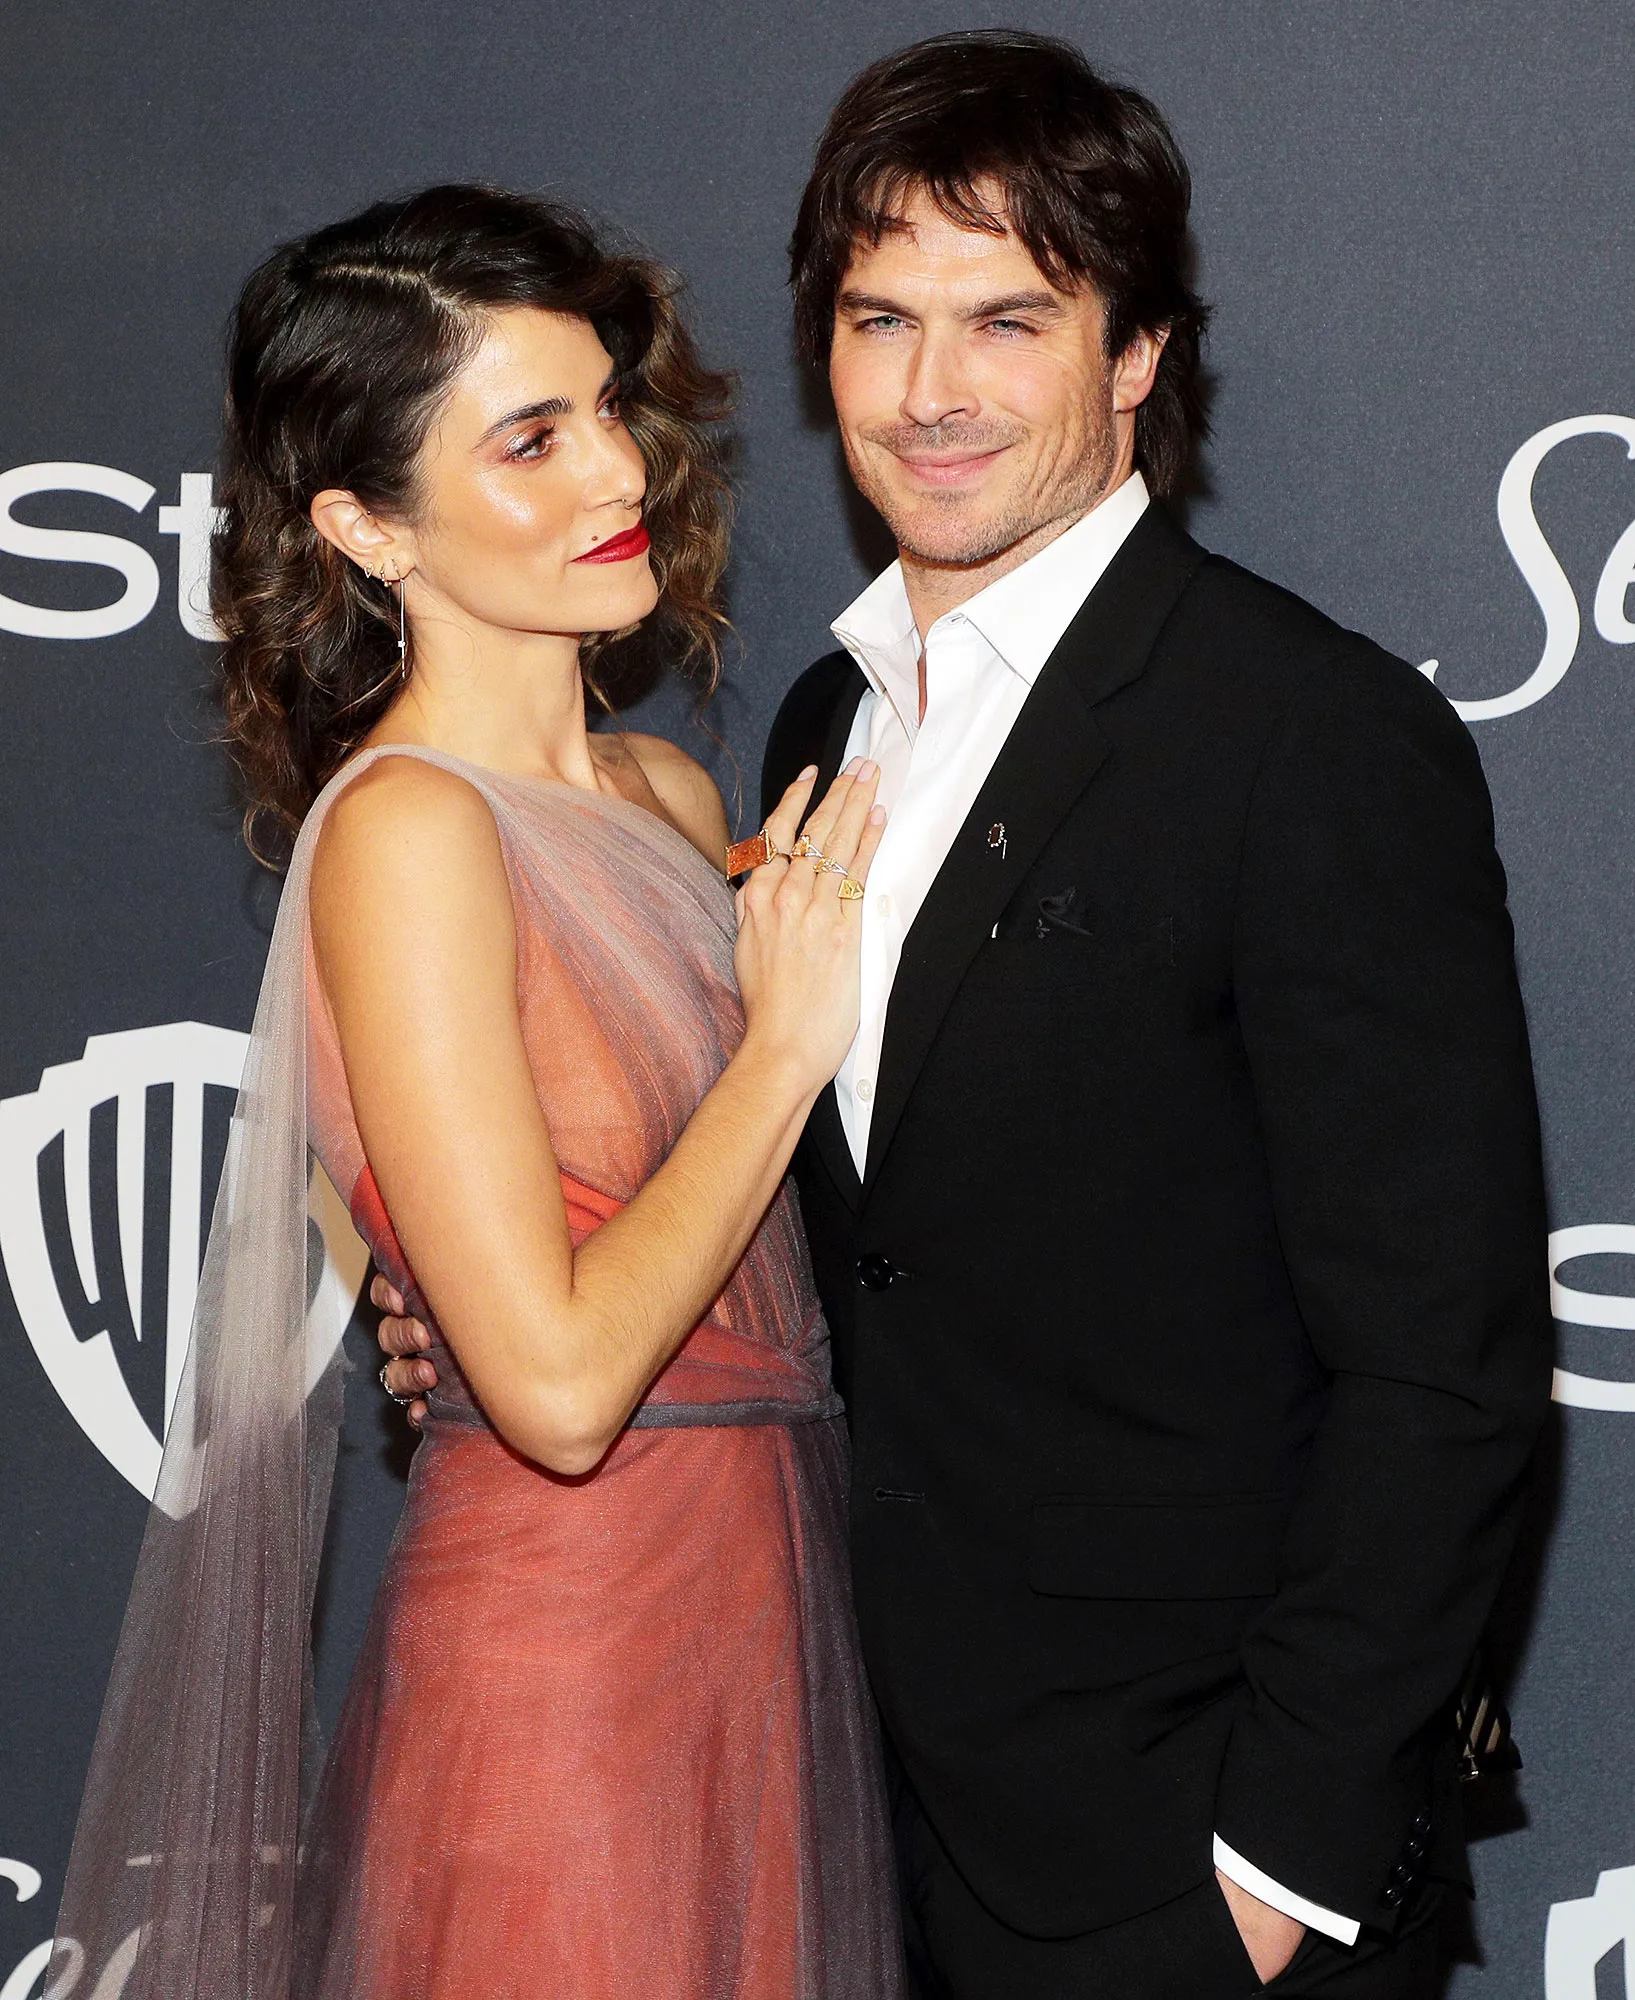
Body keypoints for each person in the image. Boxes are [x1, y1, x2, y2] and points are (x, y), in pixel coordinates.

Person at [380, 34, 1554, 2000]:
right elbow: (853, 1218)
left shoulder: (1305, 736)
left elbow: (1444, 1368)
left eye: (1006, 321)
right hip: (844, 1804)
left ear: (1135, 354)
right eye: (879, 321)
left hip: (1185, 1853)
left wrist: (1279, 1859)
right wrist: (475, 1277)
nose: (930, 390)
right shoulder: (823, 728)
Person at [50, 184, 904, 2000]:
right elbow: (564, 1392)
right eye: (530, 440)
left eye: (608, 408)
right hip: (565, 1675)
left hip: (763, 1625)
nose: (618, 473)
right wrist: (783, 1047)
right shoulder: (407, 831)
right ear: (365, 527)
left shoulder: (670, 800)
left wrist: (414, 1274)